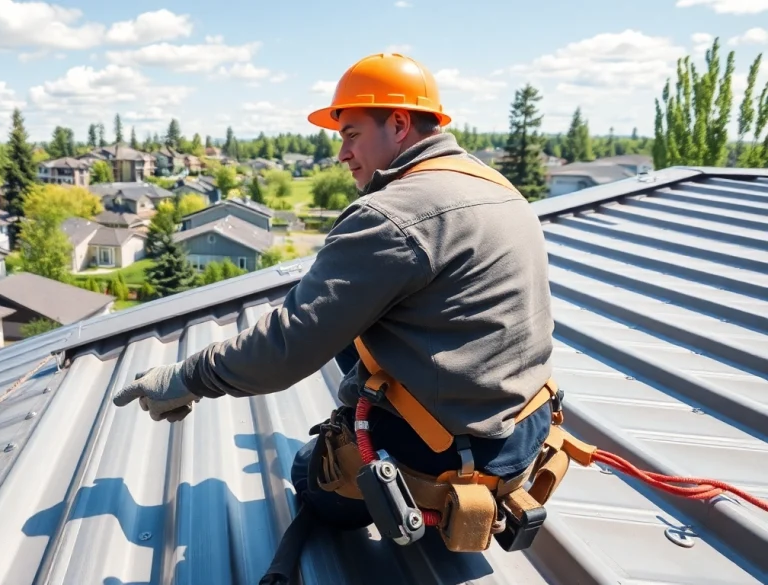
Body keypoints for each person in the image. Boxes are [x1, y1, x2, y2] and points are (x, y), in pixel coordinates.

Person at [112, 52, 554, 534]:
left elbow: (288, 345)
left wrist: (186, 377)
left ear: (400, 123)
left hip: (447, 459)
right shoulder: (495, 186)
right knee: (342, 316)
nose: (342, 154)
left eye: (351, 134)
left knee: (307, 473)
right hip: (524, 435)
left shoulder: (392, 216)